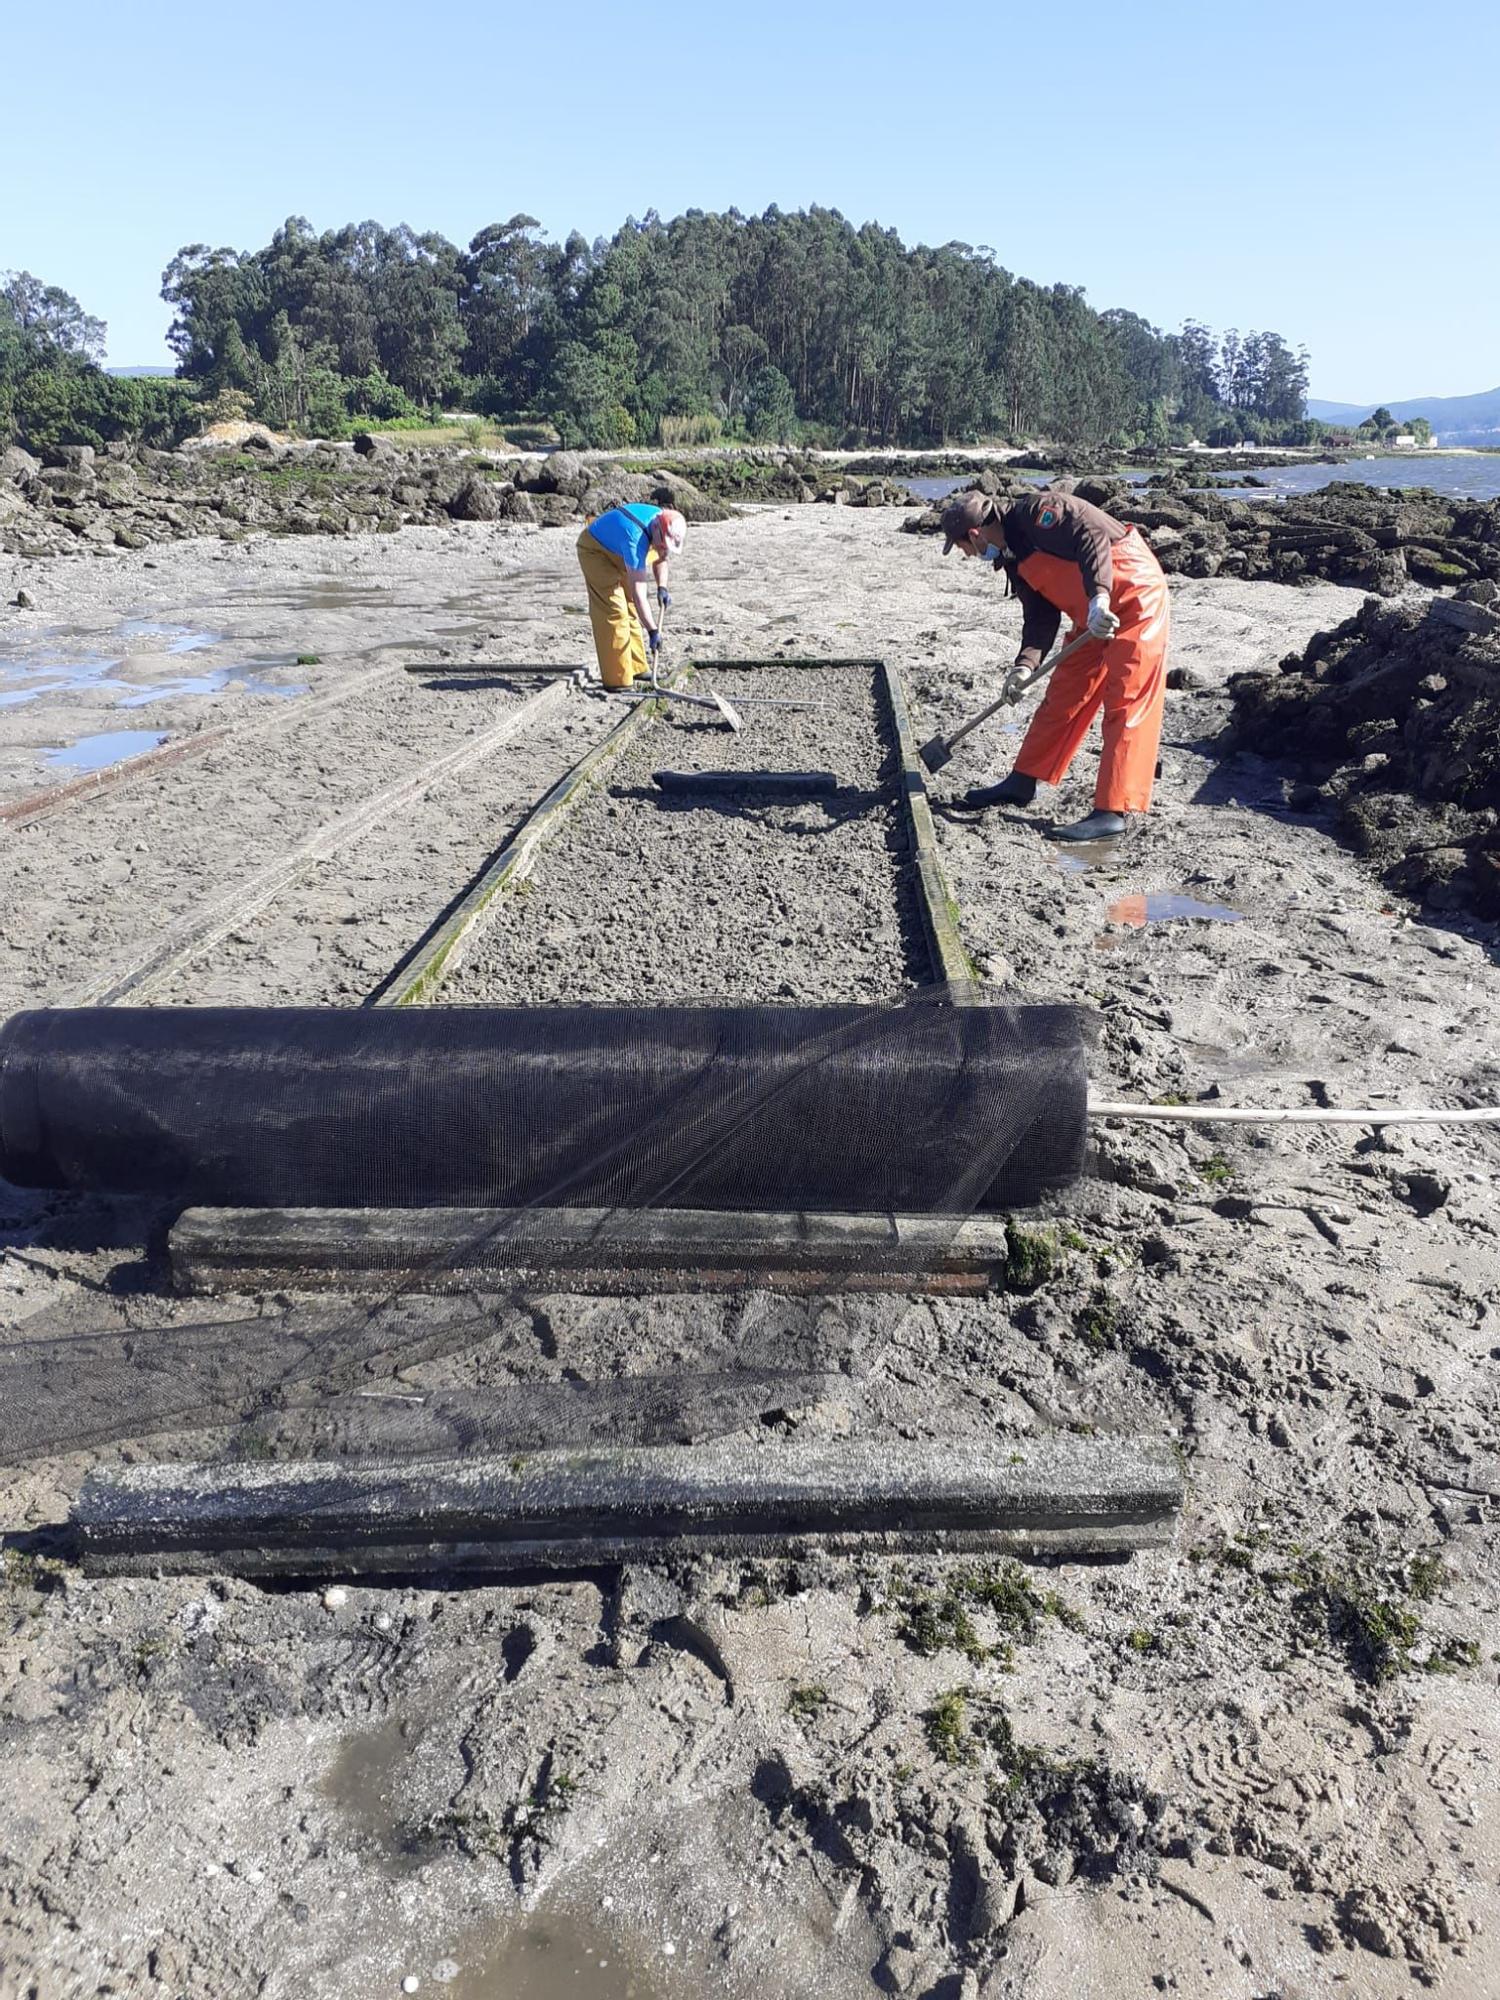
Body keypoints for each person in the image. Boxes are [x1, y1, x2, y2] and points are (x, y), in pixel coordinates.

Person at [938, 486, 1170, 841]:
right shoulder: (1013, 557)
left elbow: (1090, 537)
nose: (969, 556)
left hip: (1133, 594)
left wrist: (1099, 600)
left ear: (974, 534)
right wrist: (1024, 667)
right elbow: (1040, 618)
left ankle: (1113, 810)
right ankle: (1022, 781)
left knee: (1127, 700)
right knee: (1064, 693)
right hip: (1092, 614)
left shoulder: (1038, 514)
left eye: (964, 548)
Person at [576, 503, 686, 689]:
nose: (662, 547)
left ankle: (636, 667)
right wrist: (652, 631)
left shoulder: (662, 523)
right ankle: (617, 679)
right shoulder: (635, 540)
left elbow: (661, 557)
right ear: (657, 528)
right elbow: (639, 594)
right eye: (662, 542)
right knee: (614, 611)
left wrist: (662, 587)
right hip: (595, 551)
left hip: (618, 549)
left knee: (631, 608)